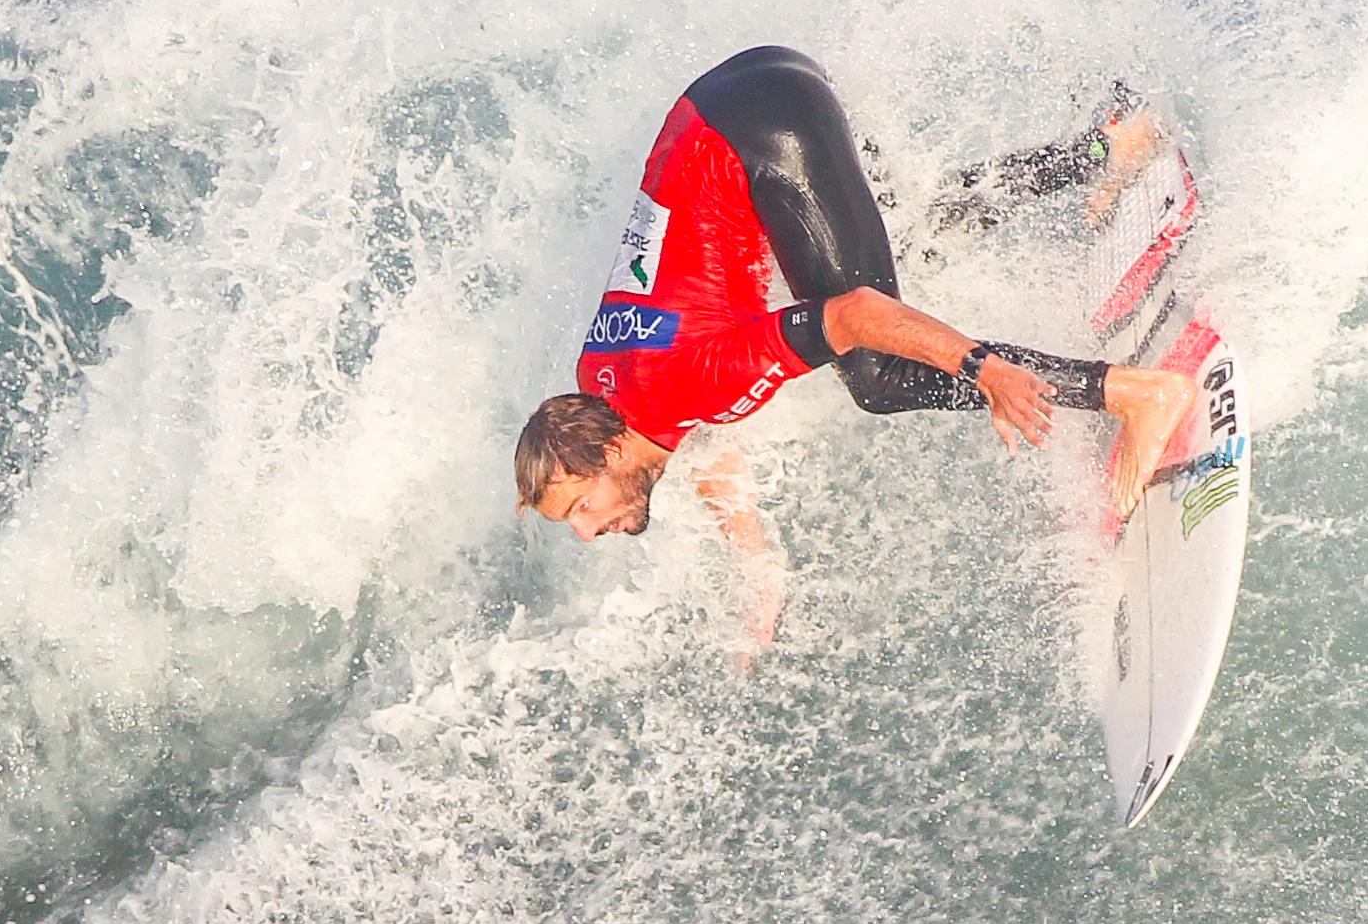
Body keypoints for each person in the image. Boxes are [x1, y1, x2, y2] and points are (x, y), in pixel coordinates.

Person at [514, 47, 1209, 653]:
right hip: (732, 102)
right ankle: (1106, 149)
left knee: (879, 375)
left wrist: (985, 369)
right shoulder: (603, 388)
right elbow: (703, 437)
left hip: (764, 128)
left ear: (610, 455)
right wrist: (760, 576)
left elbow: (853, 316)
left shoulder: (680, 384)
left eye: (580, 508)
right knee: (907, 242)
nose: (586, 533)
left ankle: (1136, 394)